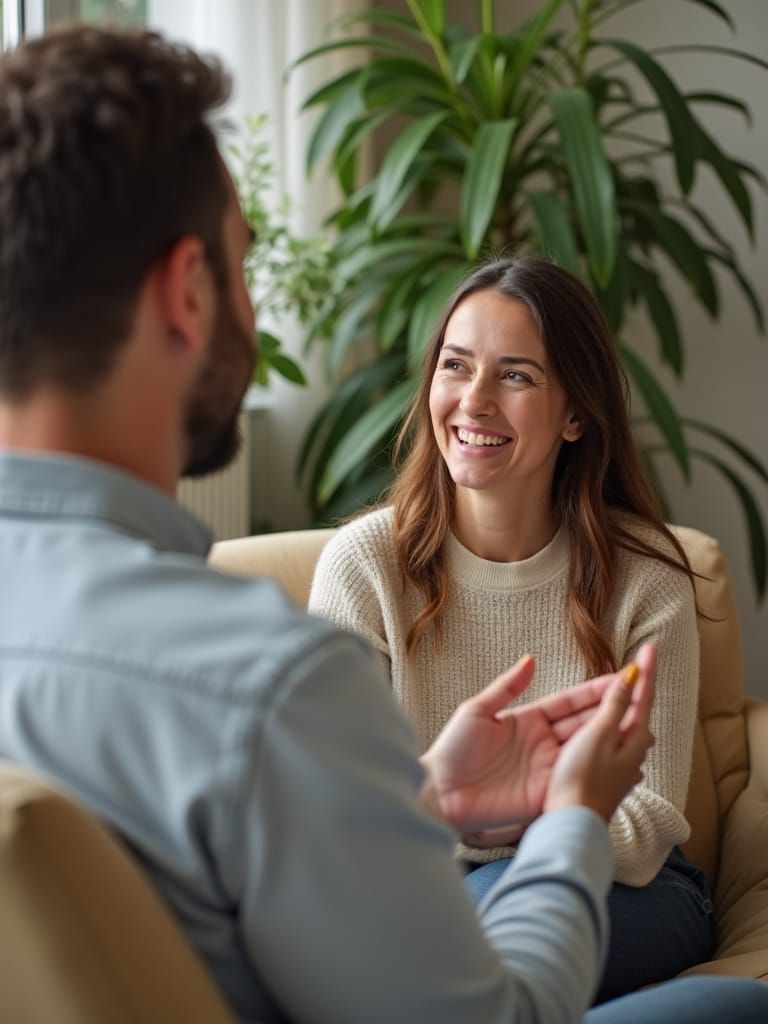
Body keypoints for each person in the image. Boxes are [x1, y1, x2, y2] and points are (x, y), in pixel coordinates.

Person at [0, 23, 767, 1024]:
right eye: (244, 267)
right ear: (187, 292)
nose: (256, 310)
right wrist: (573, 811)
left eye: (516, 374)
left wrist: (430, 800)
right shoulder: (267, 690)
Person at [309, 257, 713, 1001]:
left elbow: (650, 817)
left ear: (576, 414)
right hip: (428, 895)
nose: (475, 400)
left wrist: (508, 828)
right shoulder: (363, 568)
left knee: (473, 934)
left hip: (629, 887)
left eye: (517, 376)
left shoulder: (646, 578)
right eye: (456, 366)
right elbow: (338, 809)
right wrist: (493, 814)